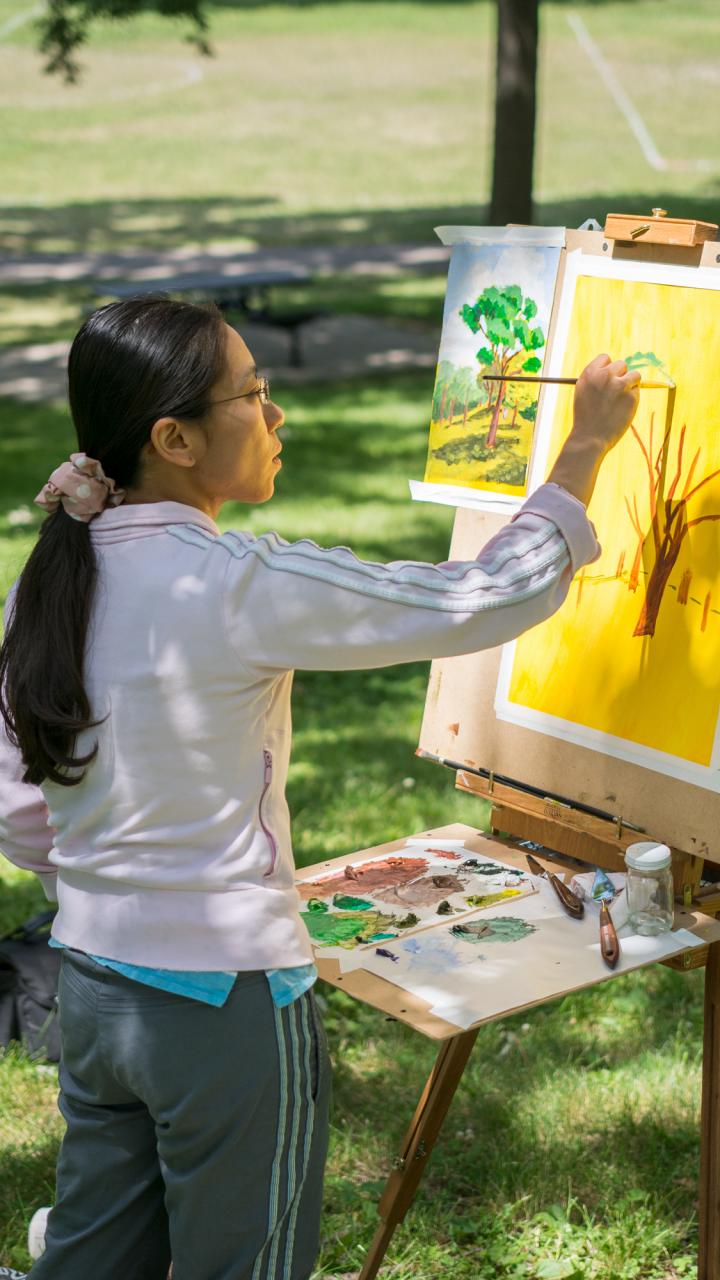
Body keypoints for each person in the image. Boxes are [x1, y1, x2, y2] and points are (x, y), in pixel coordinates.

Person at [0, 295, 640, 1280]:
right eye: (253, 392)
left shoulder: (49, 576)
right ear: (173, 436)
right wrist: (583, 452)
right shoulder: (228, 581)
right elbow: (475, 595)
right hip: (224, 997)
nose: (277, 412)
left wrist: (112, 869)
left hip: (91, 979)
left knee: (93, 1254)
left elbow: (16, 804)